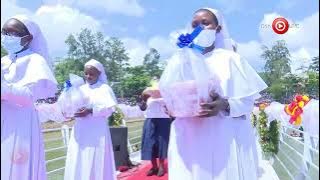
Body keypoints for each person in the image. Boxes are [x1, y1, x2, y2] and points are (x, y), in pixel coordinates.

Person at [165, 8, 268, 180]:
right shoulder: (182, 62)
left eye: (205, 23)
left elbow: (247, 103)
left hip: (222, 138)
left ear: (218, 28)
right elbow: (174, 95)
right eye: (195, 25)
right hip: (190, 140)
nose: (199, 28)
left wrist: (224, 104)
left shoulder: (230, 59)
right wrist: (171, 107)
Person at [1, 15, 58, 180]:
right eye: (3, 32)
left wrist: (4, 89)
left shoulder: (36, 61)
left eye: (11, 34)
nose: (5, 37)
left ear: (27, 38)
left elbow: (29, 96)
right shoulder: (3, 61)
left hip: (20, 124)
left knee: (17, 169)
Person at [63, 59, 117, 180]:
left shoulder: (104, 88)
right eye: (86, 73)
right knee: (79, 157)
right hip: (81, 129)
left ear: (99, 73)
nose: (88, 76)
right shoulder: (80, 89)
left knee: (98, 158)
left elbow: (110, 109)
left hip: (97, 130)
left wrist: (91, 110)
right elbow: (71, 106)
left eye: (91, 74)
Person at [138, 78, 172, 177]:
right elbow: (142, 108)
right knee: (150, 143)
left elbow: (171, 108)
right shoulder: (147, 97)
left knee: (162, 143)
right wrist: (141, 100)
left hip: (163, 121)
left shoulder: (166, 95)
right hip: (150, 121)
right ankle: (154, 166)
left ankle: (161, 166)